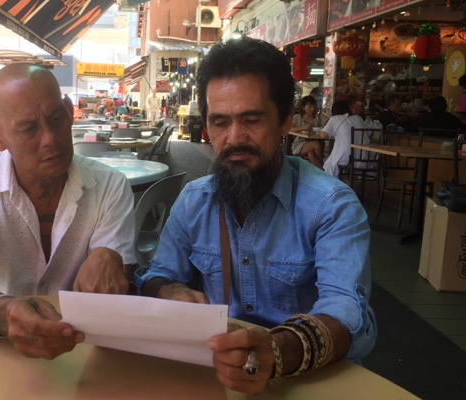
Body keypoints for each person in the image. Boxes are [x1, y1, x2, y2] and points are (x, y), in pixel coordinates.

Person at [136, 38, 376, 396]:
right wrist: (169, 290)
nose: (234, 139)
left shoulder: (331, 205)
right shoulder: (194, 201)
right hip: (219, 379)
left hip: (308, 382)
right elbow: (157, 274)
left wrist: (278, 351)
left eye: (252, 119)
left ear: (285, 121)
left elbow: (349, 314)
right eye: (220, 122)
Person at [0, 63, 136, 359]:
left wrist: (113, 259)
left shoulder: (110, 186)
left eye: (57, 118)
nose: (50, 139)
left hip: (82, 349)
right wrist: (8, 313)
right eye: (29, 128)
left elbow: (118, 283)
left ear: (69, 111)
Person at [319, 100, 371, 178]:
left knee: (331, 163)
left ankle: (334, 184)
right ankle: (346, 183)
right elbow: (369, 133)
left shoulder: (334, 119)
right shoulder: (358, 118)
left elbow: (323, 135)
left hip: (347, 158)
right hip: (363, 157)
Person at [290, 95, 327, 169]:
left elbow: (328, 122)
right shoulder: (297, 117)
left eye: (314, 107)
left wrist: (325, 126)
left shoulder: (318, 117)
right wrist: (304, 128)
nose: (312, 109)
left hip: (313, 141)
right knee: (316, 144)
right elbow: (290, 129)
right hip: (300, 143)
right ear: (303, 108)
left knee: (311, 154)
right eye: (309, 107)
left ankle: (319, 172)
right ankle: (323, 171)